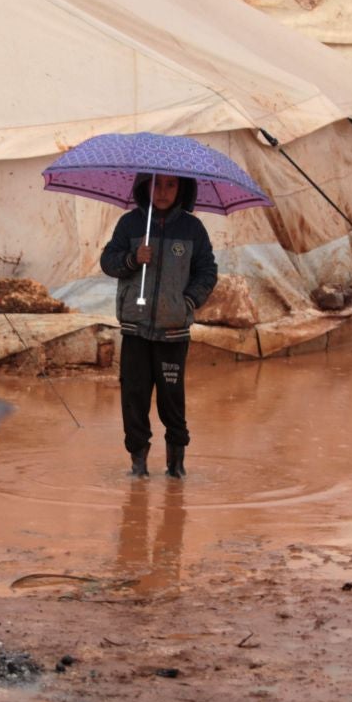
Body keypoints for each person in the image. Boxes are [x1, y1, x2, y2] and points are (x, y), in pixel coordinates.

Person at [100, 173, 217, 479]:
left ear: (182, 188)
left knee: (171, 401)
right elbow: (108, 261)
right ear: (144, 186)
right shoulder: (130, 224)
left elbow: (207, 271)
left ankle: (175, 467)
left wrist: (187, 303)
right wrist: (132, 258)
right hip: (135, 330)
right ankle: (138, 466)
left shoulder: (192, 229)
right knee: (134, 399)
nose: (162, 192)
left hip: (173, 333)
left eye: (170, 185)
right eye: (156, 184)